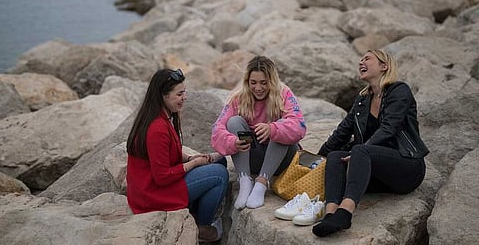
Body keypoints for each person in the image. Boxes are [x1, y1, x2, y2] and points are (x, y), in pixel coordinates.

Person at [312, 49, 429, 237]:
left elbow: (389, 128)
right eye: (360, 59)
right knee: (335, 156)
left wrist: (361, 151)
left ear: (384, 66)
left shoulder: (399, 91)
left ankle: (345, 212)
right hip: (374, 173)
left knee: (360, 150)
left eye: (367, 59)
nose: (361, 62)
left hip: (407, 167)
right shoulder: (362, 100)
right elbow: (342, 132)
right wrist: (317, 158)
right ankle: (331, 214)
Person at [126, 68, 229, 243]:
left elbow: (167, 152)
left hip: (155, 186)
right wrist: (194, 164)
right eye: (179, 94)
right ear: (163, 96)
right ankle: (202, 229)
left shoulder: (162, 117)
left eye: (184, 92)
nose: (185, 98)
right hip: (152, 194)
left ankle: (194, 216)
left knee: (222, 162)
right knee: (219, 174)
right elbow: (162, 177)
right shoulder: (157, 128)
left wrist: (189, 158)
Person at [211, 55, 306, 210]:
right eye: (253, 82)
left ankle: (262, 183)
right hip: (252, 159)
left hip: (280, 160)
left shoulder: (284, 94)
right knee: (234, 122)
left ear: (272, 81)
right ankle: (245, 181)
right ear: (247, 82)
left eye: (264, 83)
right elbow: (217, 130)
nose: (258, 88)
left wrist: (272, 129)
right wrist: (232, 142)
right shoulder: (238, 97)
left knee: (281, 126)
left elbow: (300, 126)